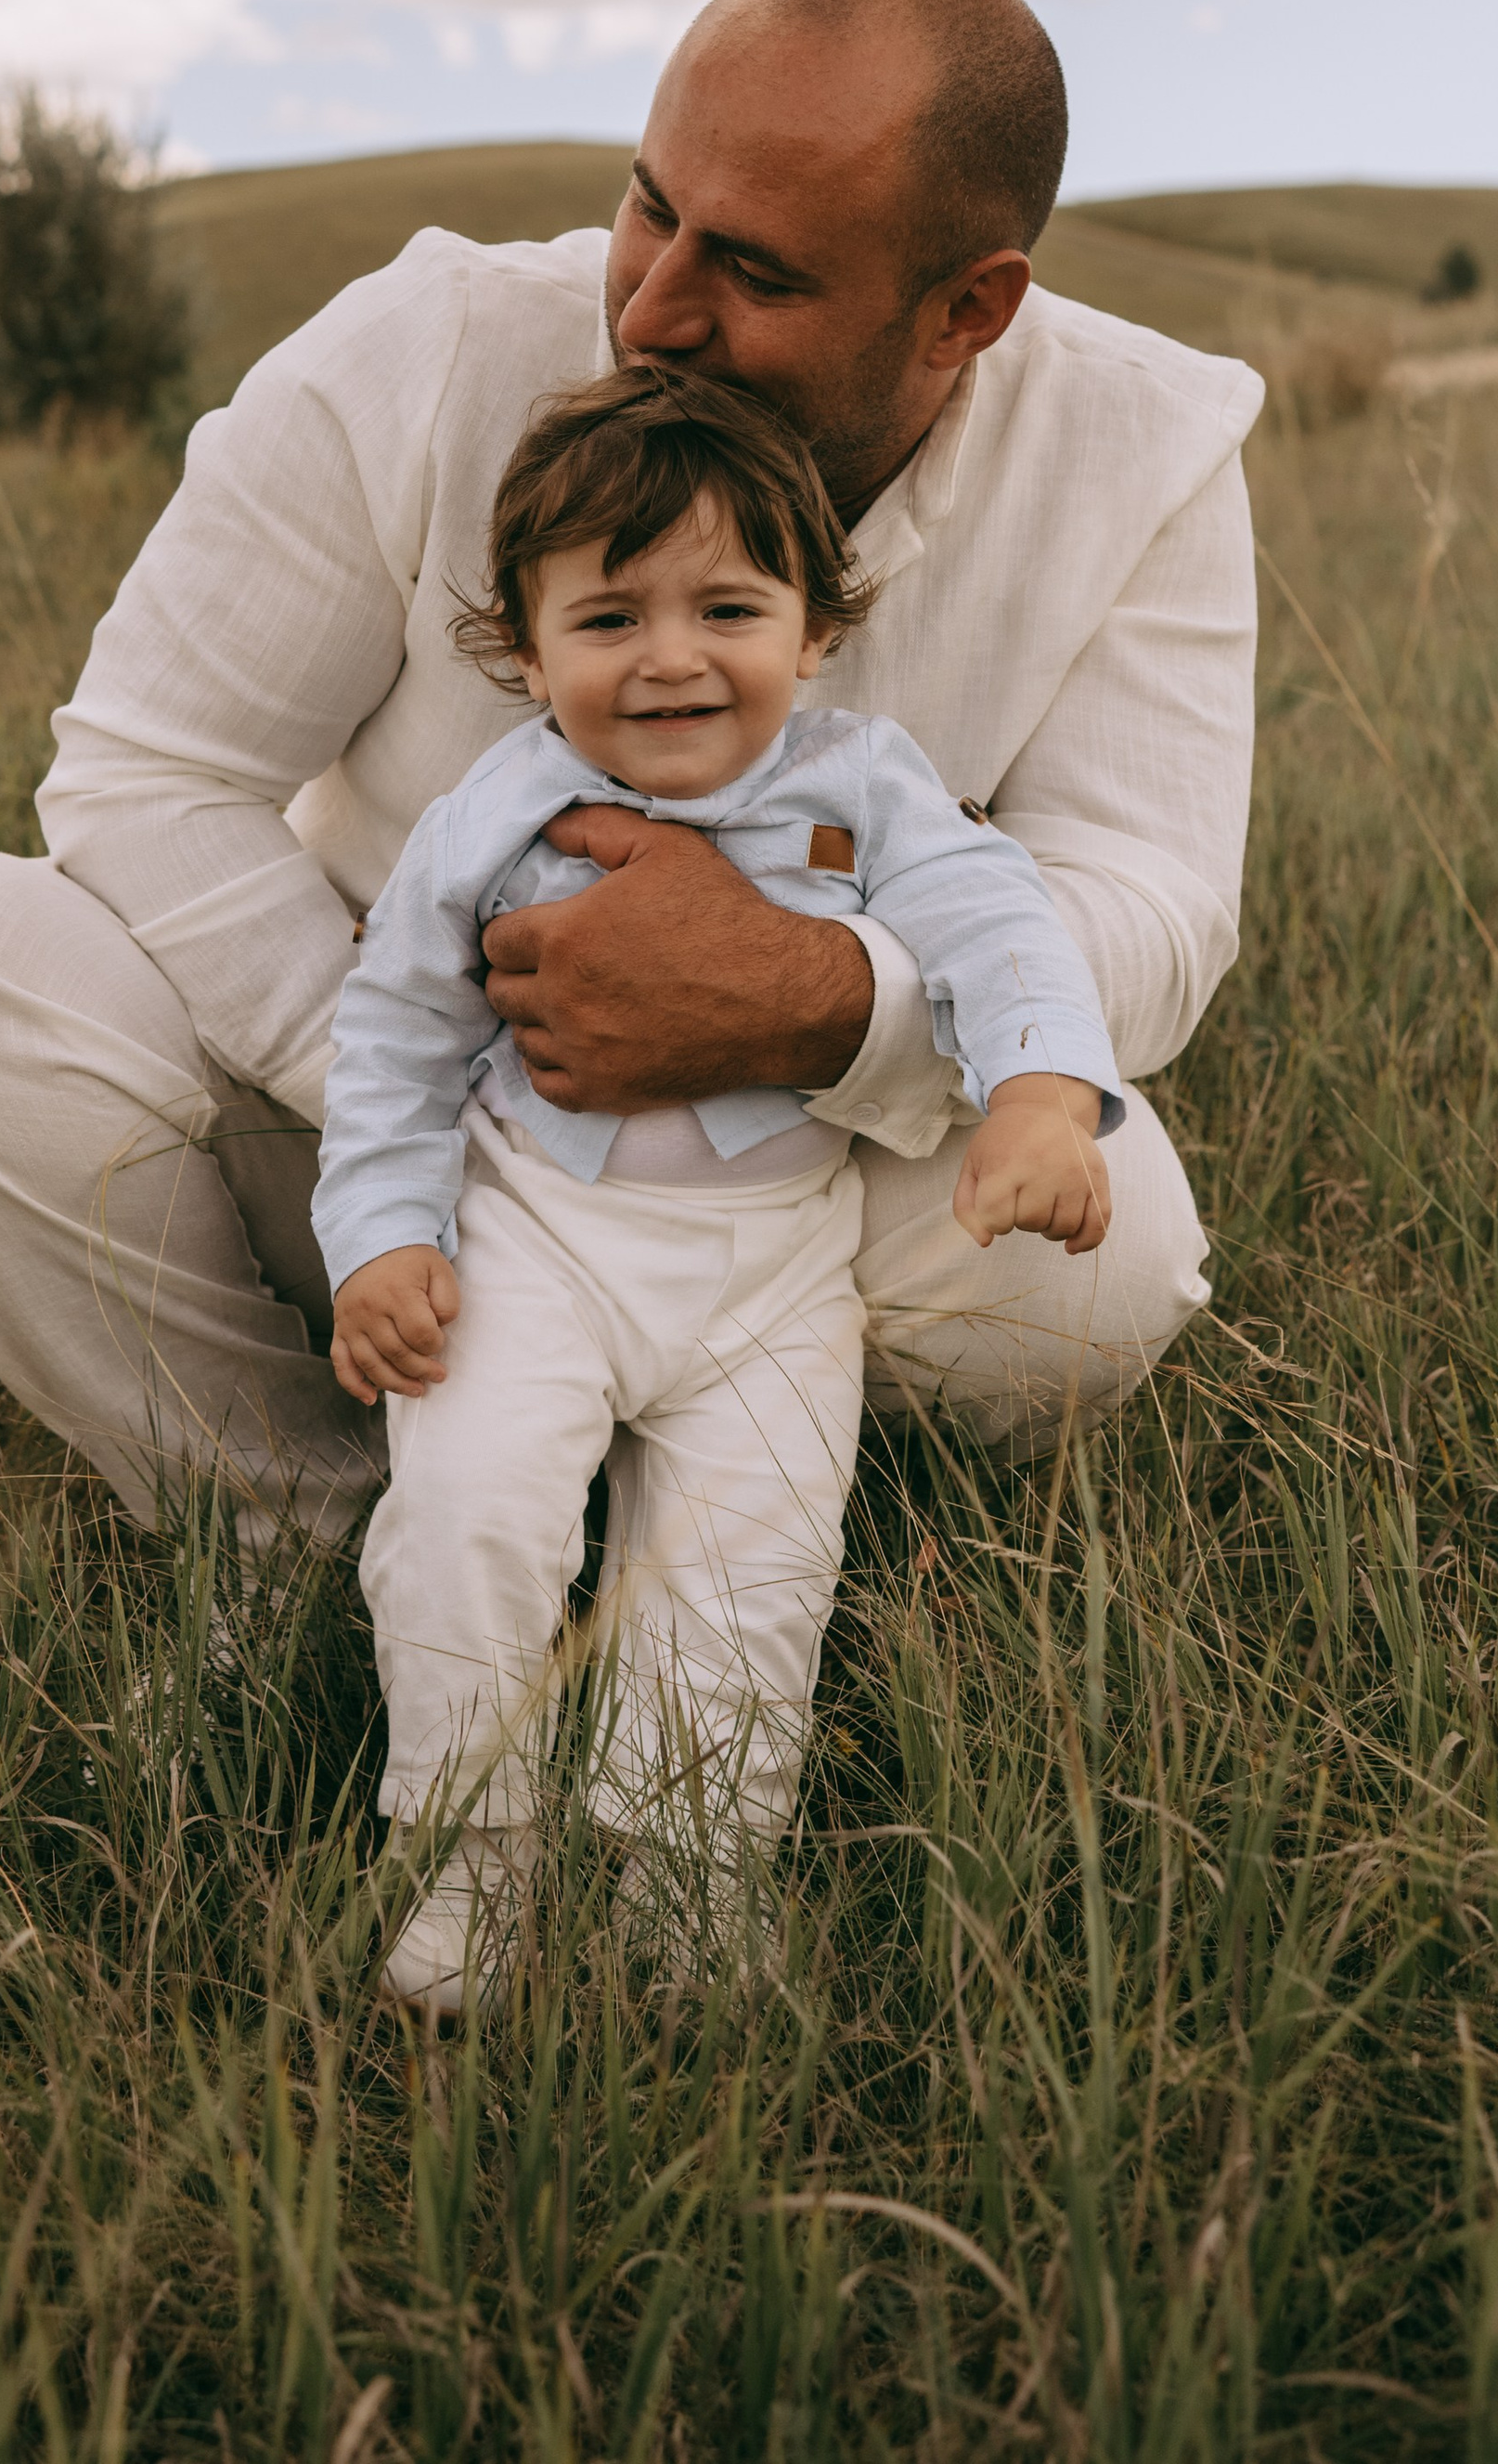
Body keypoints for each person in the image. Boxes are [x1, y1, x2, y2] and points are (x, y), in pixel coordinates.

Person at [0, 0, 1261, 1556]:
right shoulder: (426, 345)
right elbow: (150, 776)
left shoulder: (1145, 450)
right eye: (652, 205)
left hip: (783, 1166)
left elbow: (1152, 898)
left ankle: (697, 1505)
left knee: (1112, 1269)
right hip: (352, 1085)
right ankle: (302, 1539)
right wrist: (426, 1101)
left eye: (759, 273)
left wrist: (805, 997)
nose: (654, 308)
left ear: (964, 314)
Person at [320, 362, 1122, 2009]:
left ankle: (693, 1880)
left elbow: (998, 916)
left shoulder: (861, 783)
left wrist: (1040, 1092)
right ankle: (473, 1863)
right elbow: (395, 1030)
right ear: (524, 651)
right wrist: (382, 1239)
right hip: (530, 1236)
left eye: (729, 606)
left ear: (815, 629)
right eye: (608, 619)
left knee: (750, 1582)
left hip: (770, 1273)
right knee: (473, 1522)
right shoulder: (497, 807)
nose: (672, 656)